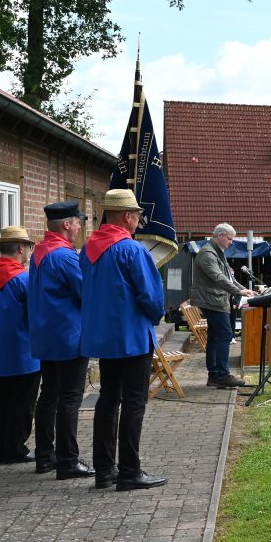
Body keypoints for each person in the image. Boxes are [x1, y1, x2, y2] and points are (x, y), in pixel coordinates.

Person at [81, 189, 166, 490]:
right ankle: (130, 471)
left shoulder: (88, 250)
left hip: (104, 338)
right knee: (133, 403)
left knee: (107, 400)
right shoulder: (132, 250)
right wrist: (154, 316)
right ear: (128, 216)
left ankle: (105, 470)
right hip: (130, 337)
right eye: (137, 216)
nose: (138, 222)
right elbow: (152, 298)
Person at [29, 201, 94, 479]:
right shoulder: (65, 256)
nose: (80, 227)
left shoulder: (39, 253)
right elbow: (85, 292)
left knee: (49, 396)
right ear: (66, 224)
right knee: (69, 399)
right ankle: (68, 461)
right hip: (69, 336)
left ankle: (45, 456)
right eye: (78, 221)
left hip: (47, 335)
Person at [0, 226, 40, 465]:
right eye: (29, 247)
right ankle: (16, 449)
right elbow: (34, 313)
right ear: (20, 248)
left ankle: (3, 449)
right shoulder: (22, 278)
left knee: (3, 400)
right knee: (22, 403)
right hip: (23, 351)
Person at [189, 224, 255, 387]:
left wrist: (242, 289)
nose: (231, 242)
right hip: (212, 301)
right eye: (230, 238)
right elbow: (218, 277)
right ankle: (221, 375)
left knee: (216, 336)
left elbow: (228, 277)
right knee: (225, 334)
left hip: (215, 300)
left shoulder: (217, 251)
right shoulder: (208, 253)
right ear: (219, 235)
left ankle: (215, 374)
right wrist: (238, 292)